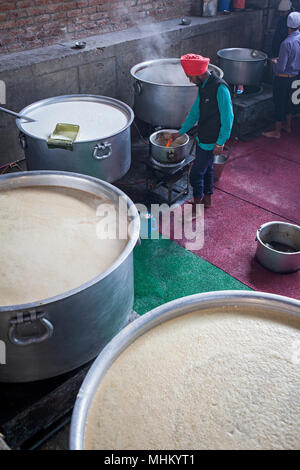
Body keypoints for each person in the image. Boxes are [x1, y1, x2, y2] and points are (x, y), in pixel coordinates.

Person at [169, 53, 234, 214]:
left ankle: (197, 206)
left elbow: (228, 118)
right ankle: (207, 199)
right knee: (208, 169)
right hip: (202, 136)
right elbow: (195, 112)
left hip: (212, 139)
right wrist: (181, 132)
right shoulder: (202, 86)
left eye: (190, 77)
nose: (190, 80)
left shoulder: (220, 88)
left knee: (195, 174)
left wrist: (221, 142)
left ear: (198, 73)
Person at [263, 11, 300, 139]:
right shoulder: (299, 39)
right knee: (289, 102)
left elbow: (281, 68)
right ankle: (288, 126)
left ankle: (277, 131)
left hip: (283, 79)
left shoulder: (286, 43)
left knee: (279, 103)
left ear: (287, 25)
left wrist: (274, 62)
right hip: (295, 77)